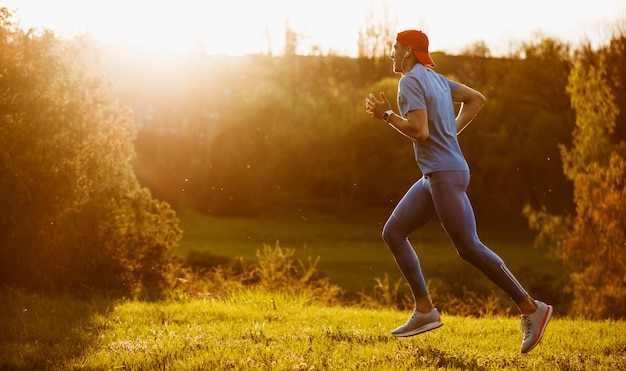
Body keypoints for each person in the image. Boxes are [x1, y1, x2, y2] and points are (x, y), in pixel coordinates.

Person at [364, 29, 552, 353]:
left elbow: (420, 131)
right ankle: (425, 310)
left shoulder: (409, 81)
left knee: (469, 247)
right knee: (393, 232)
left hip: (443, 175)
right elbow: (476, 98)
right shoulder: (436, 79)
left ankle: (531, 308)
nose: (391, 54)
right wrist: (450, 133)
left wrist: (386, 116)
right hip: (438, 174)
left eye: (394, 48)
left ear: (408, 51)